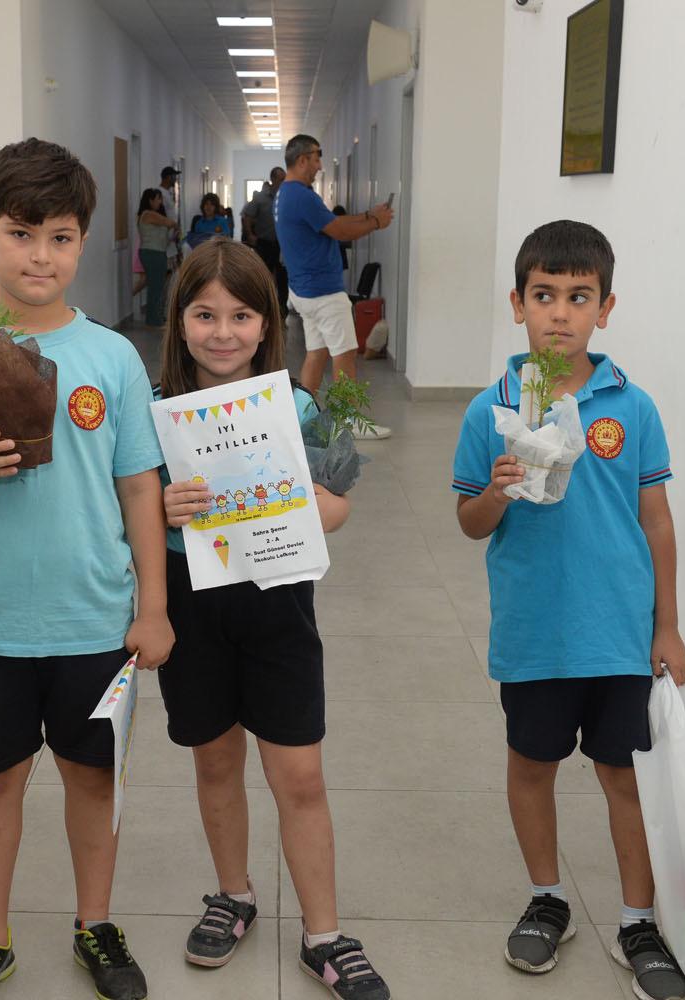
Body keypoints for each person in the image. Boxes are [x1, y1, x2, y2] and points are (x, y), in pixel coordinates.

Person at [0, 138, 173, 1000]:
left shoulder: (112, 357)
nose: (39, 256)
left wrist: (153, 608)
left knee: (92, 778)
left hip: (94, 616)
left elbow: (139, 487)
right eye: (20, 234)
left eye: (60, 237)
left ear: (83, 243)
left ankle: (95, 923)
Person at [450, 220, 685, 1000]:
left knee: (625, 776)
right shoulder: (490, 410)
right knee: (532, 766)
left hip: (619, 634)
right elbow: (470, 522)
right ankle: (547, 897)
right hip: (536, 634)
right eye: (544, 295)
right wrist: (496, 491)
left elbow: (656, 520)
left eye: (579, 297)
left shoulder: (632, 406)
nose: (560, 312)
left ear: (605, 308)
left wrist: (667, 625)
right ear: (517, 303)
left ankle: (637, 919)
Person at [156, 239, 391, 1000]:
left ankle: (325, 935)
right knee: (215, 761)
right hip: (192, 606)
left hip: (279, 606)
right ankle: (234, 895)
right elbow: (128, 511)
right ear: (179, 320)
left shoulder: (297, 406)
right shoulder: (155, 415)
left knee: (300, 774)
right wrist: (160, 505)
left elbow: (341, 505)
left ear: (267, 325)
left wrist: (319, 505)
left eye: (241, 316)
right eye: (205, 315)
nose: (222, 332)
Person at [274, 134, 394, 437]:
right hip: (323, 292)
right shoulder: (301, 195)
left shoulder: (288, 193)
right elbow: (339, 231)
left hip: (304, 290)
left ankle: (302, 419)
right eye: (316, 157)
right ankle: (348, 422)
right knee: (345, 353)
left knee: (317, 353)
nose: (319, 165)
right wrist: (376, 223)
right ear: (302, 159)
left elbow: (331, 222)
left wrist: (368, 215)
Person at [241, 167, 286, 305]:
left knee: (282, 276)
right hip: (264, 243)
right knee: (263, 274)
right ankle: (263, 303)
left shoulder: (287, 197)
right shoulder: (260, 198)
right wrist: (250, 234)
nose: (284, 182)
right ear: (273, 179)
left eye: (285, 179)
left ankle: (281, 307)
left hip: (283, 245)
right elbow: (247, 216)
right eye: (281, 179)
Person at [137, 187, 177, 328]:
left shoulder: (154, 216)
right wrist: (173, 225)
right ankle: (154, 320)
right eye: (158, 199)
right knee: (156, 287)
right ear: (150, 200)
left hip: (158, 253)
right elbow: (170, 222)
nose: (160, 202)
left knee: (158, 286)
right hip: (152, 253)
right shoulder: (148, 214)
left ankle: (155, 318)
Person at [159, 165, 183, 266]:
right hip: (164, 236)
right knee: (166, 266)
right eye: (174, 177)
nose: (175, 180)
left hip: (171, 236)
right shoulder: (160, 194)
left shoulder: (168, 193)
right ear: (168, 177)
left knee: (172, 265)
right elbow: (161, 215)